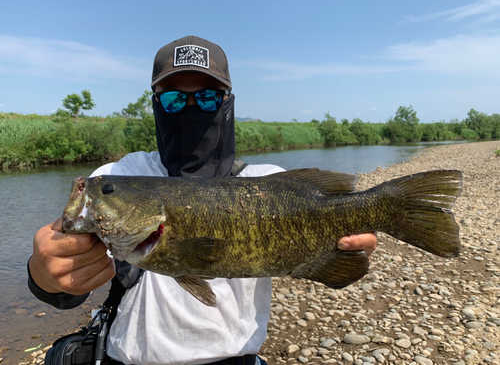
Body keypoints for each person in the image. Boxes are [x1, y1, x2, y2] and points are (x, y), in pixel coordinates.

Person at [28, 36, 377, 365]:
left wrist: (344, 252)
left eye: (209, 97)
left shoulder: (265, 182)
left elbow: (332, 261)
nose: (191, 108)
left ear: (227, 101)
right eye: (174, 99)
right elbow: (71, 283)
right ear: (155, 103)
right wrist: (45, 276)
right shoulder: (121, 174)